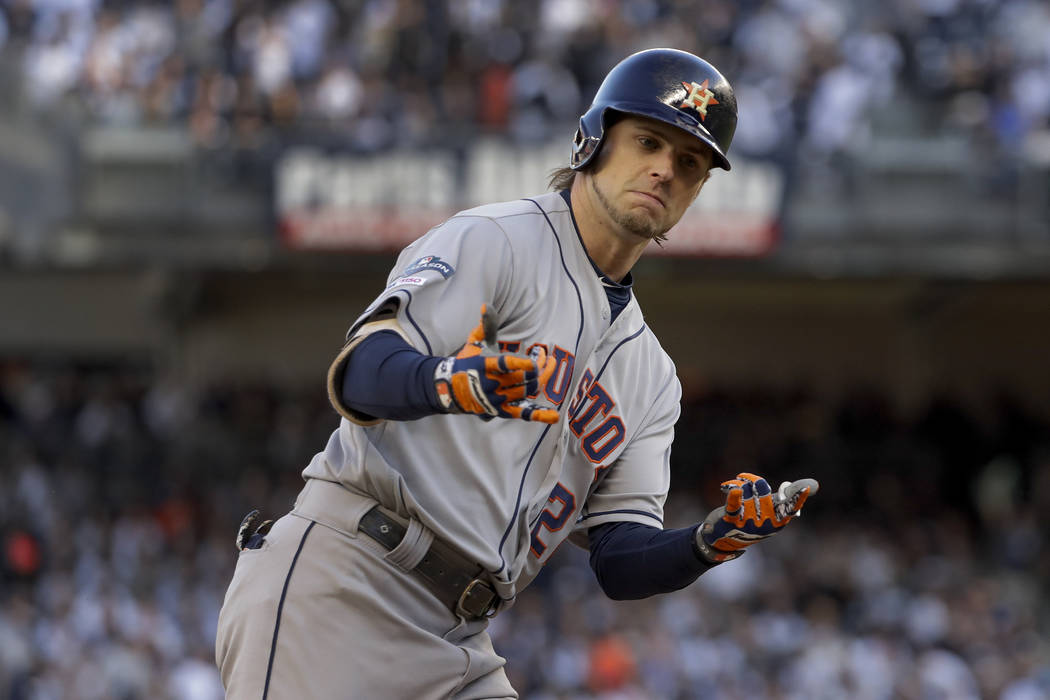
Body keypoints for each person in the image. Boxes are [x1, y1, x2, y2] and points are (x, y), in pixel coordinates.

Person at [215, 48, 817, 699]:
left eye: (689, 162)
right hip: (345, 587)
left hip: (458, 639)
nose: (664, 169)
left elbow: (619, 559)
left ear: (698, 190)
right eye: (648, 141)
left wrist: (707, 543)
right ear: (594, 139)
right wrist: (446, 381)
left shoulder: (651, 377)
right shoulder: (496, 241)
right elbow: (363, 370)